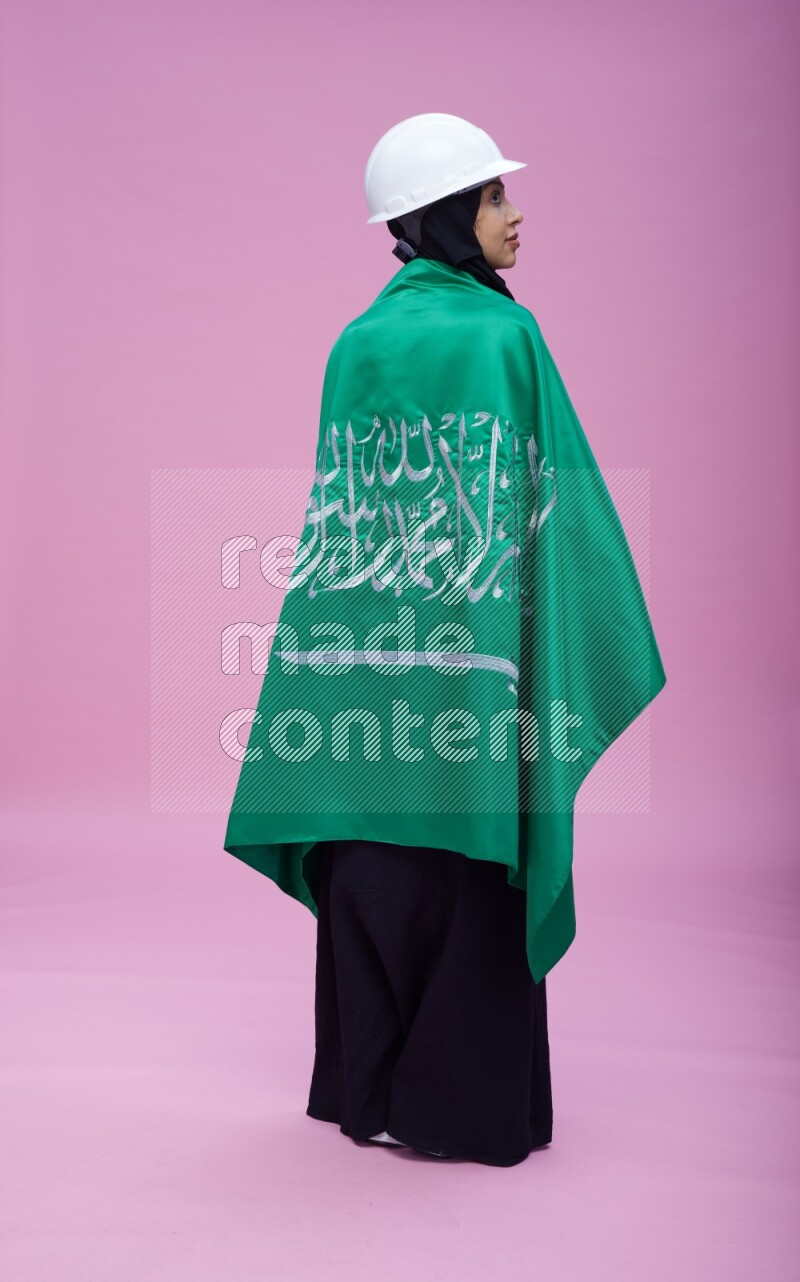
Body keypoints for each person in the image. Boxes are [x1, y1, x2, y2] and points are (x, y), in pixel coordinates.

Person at [223, 113, 667, 1167]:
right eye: (492, 197)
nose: (513, 215)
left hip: (358, 701)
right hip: (470, 695)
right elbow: (558, 519)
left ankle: (365, 1091)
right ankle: (458, 1109)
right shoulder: (503, 336)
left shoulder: (356, 341)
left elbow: (345, 529)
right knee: (473, 871)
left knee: (372, 874)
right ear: (446, 217)